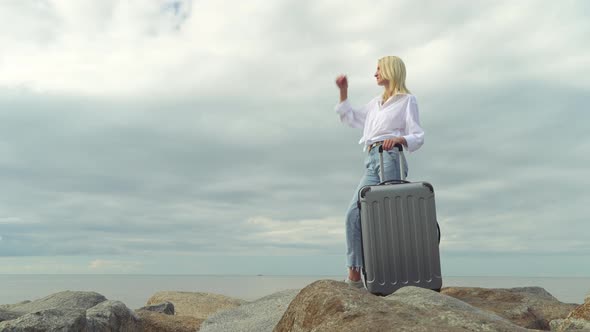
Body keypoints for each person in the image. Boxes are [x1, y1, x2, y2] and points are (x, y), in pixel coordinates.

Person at [334, 55, 425, 288]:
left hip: (391, 158)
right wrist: (343, 91)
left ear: (390, 71)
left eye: (378, 69)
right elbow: (350, 117)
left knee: (389, 219)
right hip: (372, 160)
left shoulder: (407, 100)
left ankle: (392, 274)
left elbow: (418, 135)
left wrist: (399, 138)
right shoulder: (375, 103)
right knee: (354, 214)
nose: (375, 73)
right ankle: (354, 275)